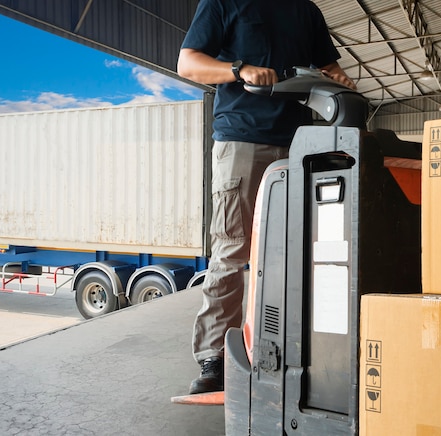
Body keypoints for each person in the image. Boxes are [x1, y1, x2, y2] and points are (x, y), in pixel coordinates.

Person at [177, 0, 356, 394]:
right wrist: (237, 70)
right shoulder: (223, 3)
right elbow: (187, 63)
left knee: (299, 255)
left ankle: (294, 350)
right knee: (233, 250)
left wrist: (340, 77)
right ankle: (215, 359)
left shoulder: (305, 10)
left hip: (299, 145)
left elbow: (328, 66)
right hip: (242, 140)